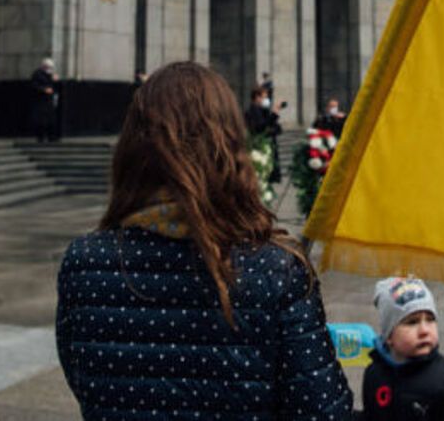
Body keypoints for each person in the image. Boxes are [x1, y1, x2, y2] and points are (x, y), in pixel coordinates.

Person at [55, 61, 353, 419]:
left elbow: (85, 381)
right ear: (230, 143)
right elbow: (322, 411)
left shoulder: (84, 264)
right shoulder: (277, 271)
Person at [360, 276, 444, 420]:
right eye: (412, 322)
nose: (424, 330)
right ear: (389, 336)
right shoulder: (374, 374)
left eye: (430, 319)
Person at [246, 87, 285, 183]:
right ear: (257, 97)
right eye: (264, 97)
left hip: (270, 146)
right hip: (260, 148)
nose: (267, 100)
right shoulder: (252, 111)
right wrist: (274, 114)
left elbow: (277, 128)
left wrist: (272, 120)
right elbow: (260, 128)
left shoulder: (265, 111)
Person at [30, 56, 61, 142]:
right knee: (41, 120)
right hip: (40, 100)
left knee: (51, 119)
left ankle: (52, 136)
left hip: (49, 100)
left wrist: (56, 81)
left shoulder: (51, 75)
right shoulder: (37, 74)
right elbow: (34, 86)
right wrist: (44, 90)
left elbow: (56, 87)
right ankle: (41, 137)